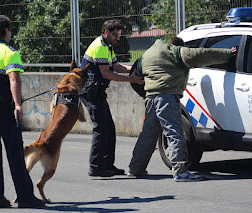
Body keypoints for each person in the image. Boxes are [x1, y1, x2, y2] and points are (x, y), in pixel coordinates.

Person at [128, 37, 237, 181]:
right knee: (174, 132)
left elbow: (134, 76)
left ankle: (135, 169)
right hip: (167, 97)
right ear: (178, 46)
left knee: (147, 135)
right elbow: (203, 54)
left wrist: (144, 93)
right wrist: (227, 54)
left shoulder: (147, 54)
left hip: (151, 98)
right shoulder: (176, 53)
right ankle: (180, 171)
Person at [0, 15, 45, 208]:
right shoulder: (10, 52)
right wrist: (18, 105)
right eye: (10, 30)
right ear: (5, 31)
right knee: (14, 152)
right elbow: (14, 79)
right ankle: (25, 197)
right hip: (3, 107)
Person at [79, 19, 144, 177]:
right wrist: (132, 79)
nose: (117, 38)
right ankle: (95, 167)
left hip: (98, 91)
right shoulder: (99, 47)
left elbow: (116, 66)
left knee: (109, 129)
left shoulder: (107, 46)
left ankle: (107, 165)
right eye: (115, 35)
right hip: (90, 92)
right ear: (106, 32)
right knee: (100, 129)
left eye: (120, 36)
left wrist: (137, 70)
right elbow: (106, 73)